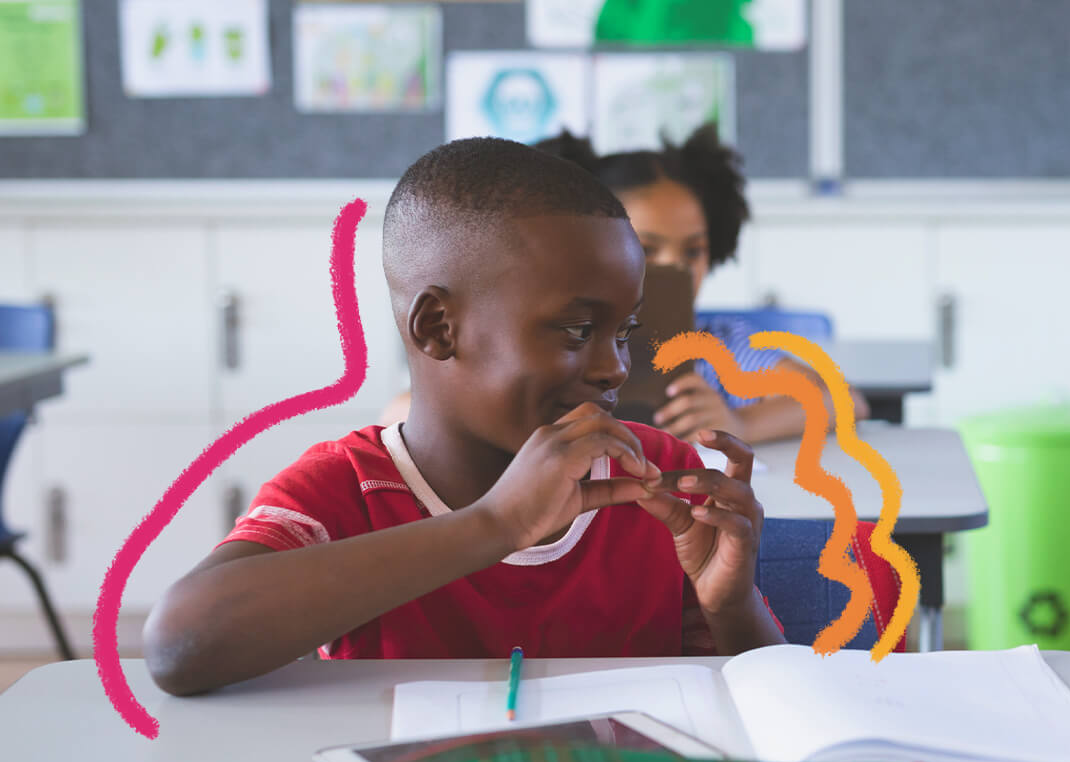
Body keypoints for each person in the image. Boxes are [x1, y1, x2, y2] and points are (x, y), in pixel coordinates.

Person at [144, 137, 784, 696]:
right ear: (437, 328)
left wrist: (731, 604)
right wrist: (495, 524)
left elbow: (762, 701)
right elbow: (179, 645)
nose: (615, 367)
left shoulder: (654, 473)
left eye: (623, 332)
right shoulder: (346, 492)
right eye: (577, 329)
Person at [378, 124, 869, 443]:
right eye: (647, 250)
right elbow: (399, 412)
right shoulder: (541, 353)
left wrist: (740, 424)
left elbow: (843, 400)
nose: (674, 268)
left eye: (693, 251)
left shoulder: (719, 348)